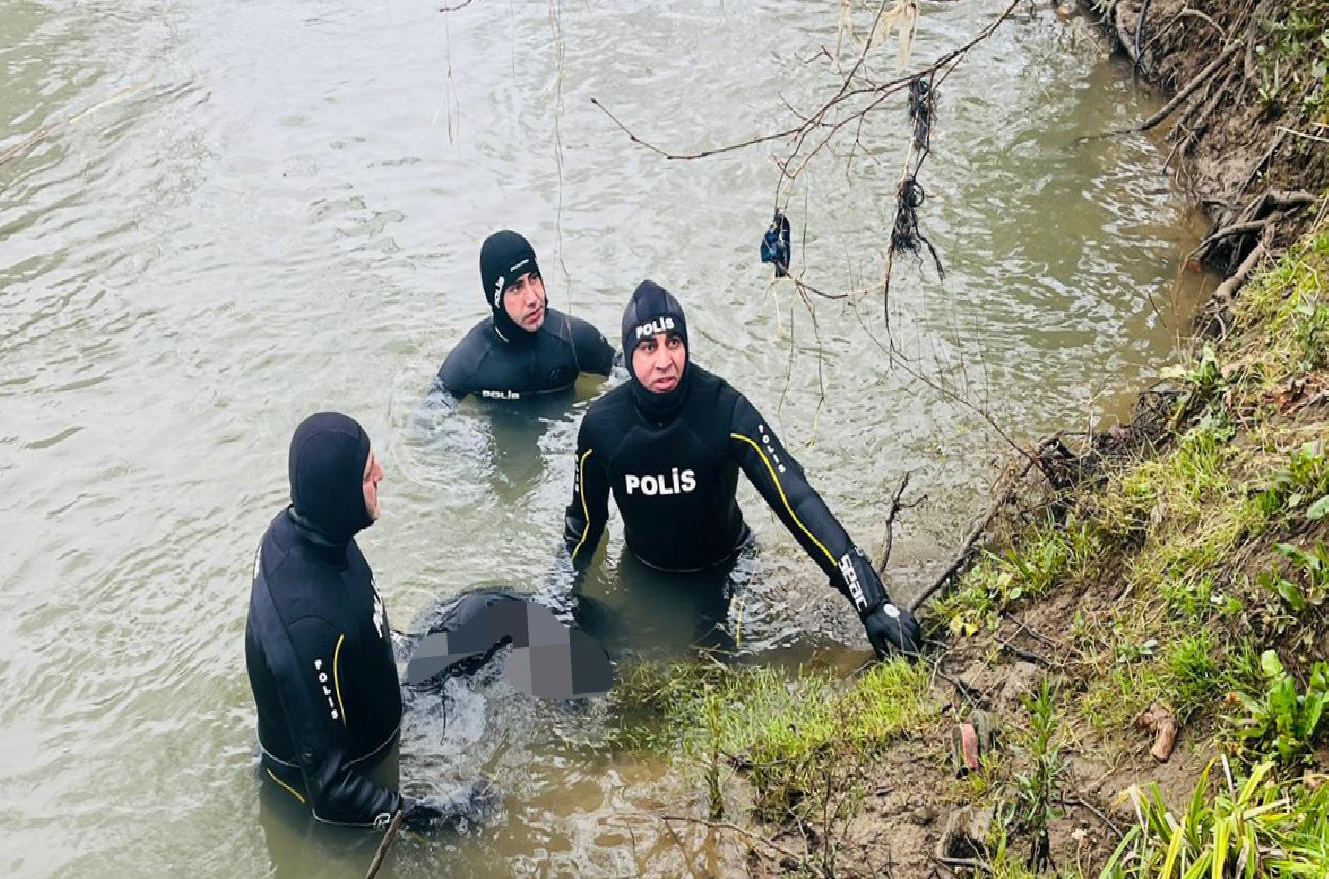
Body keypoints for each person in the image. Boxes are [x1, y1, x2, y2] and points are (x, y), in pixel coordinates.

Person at [560, 281, 922, 659]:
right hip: (643, 572)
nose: (664, 360)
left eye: (674, 342)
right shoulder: (602, 427)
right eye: (648, 347)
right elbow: (583, 527)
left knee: (720, 662)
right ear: (630, 355)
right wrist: (562, 605)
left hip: (726, 567)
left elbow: (795, 497)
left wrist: (871, 600)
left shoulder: (723, 409)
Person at [244, 412, 482, 829]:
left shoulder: (307, 531)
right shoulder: (307, 626)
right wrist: (438, 817)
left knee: (488, 621)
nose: (383, 475)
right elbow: (332, 791)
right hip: (339, 781)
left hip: (375, 706)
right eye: (370, 473)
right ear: (339, 495)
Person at [437, 230, 615, 401]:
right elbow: (427, 422)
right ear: (496, 300)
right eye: (516, 287)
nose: (532, 298)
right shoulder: (470, 363)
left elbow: (630, 375)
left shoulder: (574, 339)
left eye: (534, 278)